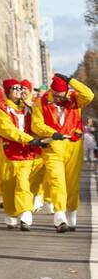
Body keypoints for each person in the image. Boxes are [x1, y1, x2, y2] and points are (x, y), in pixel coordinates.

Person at [31, 72, 93, 232]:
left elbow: (89, 94)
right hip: (53, 146)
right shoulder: (42, 101)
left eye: (62, 95)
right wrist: (51, 132)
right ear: (51, 91)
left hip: (73, 145)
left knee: (71, 183)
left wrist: (70, 80)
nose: (59, 98)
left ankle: (71, 213)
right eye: (56, 95)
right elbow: (36, 124)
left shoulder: (74, 98)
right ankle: (59, 216)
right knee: (56, 180)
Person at [0, 78, 40, 230]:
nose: (19, 91)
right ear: (8, 92)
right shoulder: (2, 109)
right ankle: (11, 212)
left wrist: (34, 108)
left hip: (26, 152)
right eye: (15, 89)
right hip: (7, 152)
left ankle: (25, 213)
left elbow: (40, 122)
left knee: (23, 182)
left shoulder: (29, 108)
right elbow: (6, 130)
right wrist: (27, 138)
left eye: (20, 88)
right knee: (8, 185)